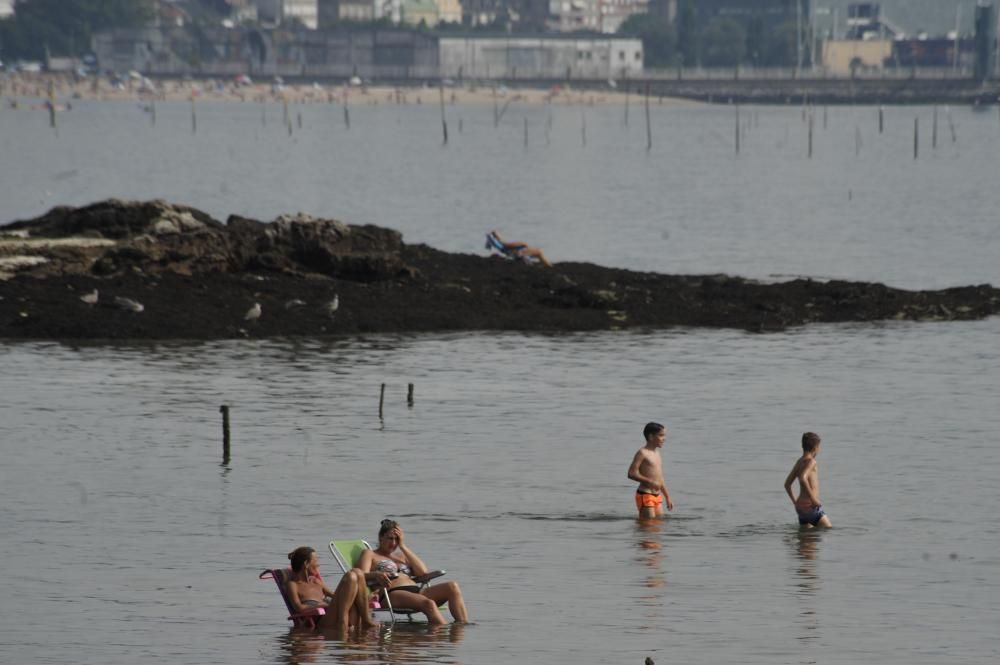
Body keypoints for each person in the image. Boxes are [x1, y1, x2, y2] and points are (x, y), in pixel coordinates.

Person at [356, 519, 469, 624]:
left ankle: (462, 627)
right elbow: (360, 575)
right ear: (381, 537)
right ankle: (442, 636)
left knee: (452, 586)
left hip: (416, 592)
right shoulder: (370, 554)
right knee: (428, 603)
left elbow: (423, 573)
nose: (394, 543)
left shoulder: (402, 556)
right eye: (390, 538)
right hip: (392, 593)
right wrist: (377, 574)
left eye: (397, 539)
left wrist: (403, 546)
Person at [286, 546, 378, 632]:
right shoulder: (293, 585)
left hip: (333, 612)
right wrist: (322, 605)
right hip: (322, 619)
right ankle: (348, 621)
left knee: (357, 572)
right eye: (316, 560)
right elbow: (299, 608)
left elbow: (338, 596)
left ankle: (362, 620)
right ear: (306, 564)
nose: (318, 564)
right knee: (350, 576)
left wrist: (364, 598)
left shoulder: (316, 581)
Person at [784, 432, 833, 528]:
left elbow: (787, 484)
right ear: (815, 448)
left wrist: (795, 502)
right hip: (811, 507)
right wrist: (814, 500)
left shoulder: (799, 462)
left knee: (806, 539)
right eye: (819, 447)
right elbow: (803, 478)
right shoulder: (812, 462)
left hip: (800, 509)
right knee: (828, 530)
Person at [627, 422, 674, 519]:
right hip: (645, 494)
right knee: (648, 526)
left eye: (664, 435)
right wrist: (650, 481)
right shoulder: (642, 453)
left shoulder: (657, 453)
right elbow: (631, 473)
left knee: (658, 526)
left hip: (657, 495)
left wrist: (667, 497)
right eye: (661, 435)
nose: (664, 438)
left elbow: (660, 478)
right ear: (651, 436)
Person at [486, 230, 552, 267]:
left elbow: (502, 244)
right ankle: (548, 266)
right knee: (539, 252)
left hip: (517, 252)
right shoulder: (504, 245)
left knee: (538, 252)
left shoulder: (502, 244)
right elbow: (504, 244)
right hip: (518, 253)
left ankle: (547, 265)